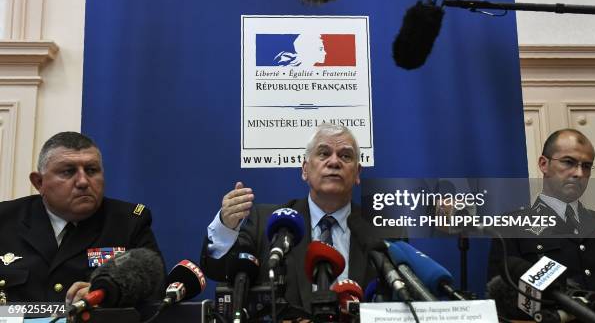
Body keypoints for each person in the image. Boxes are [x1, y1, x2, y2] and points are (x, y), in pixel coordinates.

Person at [201, 124, 381, 312]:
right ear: (305, 169)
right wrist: (226, 228)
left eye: (345, 156)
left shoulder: (380, 229)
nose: (334, 162)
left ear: (358, 173)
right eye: (323, 153)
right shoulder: (267, 222)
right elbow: (219, 270)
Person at [0, 132, 163, 304]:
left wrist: (110, 295)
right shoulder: (5, 220)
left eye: (91, 170)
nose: (83, 181)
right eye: (68, 172)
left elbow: (155, 294)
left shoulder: (128, 223)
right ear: (39, 182)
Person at [488, 129, 595, 302]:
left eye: (587, 166)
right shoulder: (511, 225)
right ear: (543, 164)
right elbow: (504, 297)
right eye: (569, 162)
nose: (579, 173)